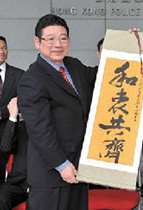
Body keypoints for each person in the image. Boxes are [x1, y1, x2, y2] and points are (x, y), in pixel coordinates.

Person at [17, 14, 97, 210]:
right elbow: (40, 130)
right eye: (50, 38)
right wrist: (62, 165)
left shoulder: (74, 66)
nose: (57, 44)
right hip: (52, 175)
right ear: (37, 42)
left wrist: (127, 46)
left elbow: (105, 74)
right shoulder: (32, 79)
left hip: (79, 168)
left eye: (63, 38)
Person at [0, 36, 24, 185]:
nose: (2, 52)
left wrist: (2, 113)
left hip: (10, 135)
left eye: (4, 48)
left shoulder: (19, 75)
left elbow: (22, 101)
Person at [0, 97, 28, 209]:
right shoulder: (20, 121)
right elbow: (6, 148)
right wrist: (12, 117)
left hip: (41, 181)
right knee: (2, 197)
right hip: (17, 181)